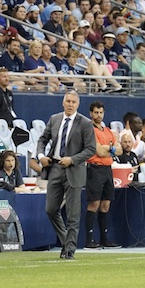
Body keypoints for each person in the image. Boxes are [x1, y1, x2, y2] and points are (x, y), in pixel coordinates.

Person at [35, 91, 96, 260]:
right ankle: (65, 241)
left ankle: (69, 249)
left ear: (78, 104)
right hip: (55, 167)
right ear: (63, 103)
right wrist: (41, 156)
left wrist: (73, 159)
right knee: (51, 209)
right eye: (68, 101)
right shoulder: (54, 119)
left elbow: (91, 149)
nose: (70, 104)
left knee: (73, 213)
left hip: (74, 170)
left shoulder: (85, 123)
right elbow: (42, 140)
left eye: (73, 102)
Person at [84, 101, 122, 249]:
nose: (98, 115)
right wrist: (111, 148)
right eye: (96, 112)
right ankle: (89, 239)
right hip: (95, 168)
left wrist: (109, 149)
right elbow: (98, 151)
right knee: (94, 203)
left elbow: (119, 151)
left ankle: (104, 239)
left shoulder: (107, 131)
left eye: (101, 112)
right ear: (91, 114)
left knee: (106, 204)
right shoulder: (90, 129)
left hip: (107, 169)